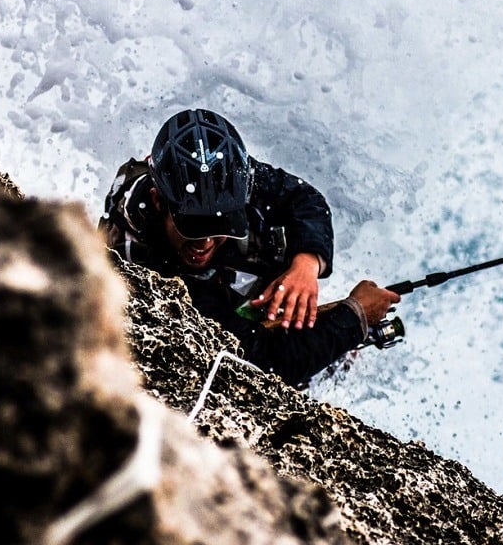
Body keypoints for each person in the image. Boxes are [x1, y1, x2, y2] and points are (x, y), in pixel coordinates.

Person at [99, 108, 400, 387]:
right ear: (157, 201)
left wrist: (306, 265)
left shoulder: (232, 176)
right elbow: (267, 365)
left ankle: (290, 313)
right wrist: (355, 315)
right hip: (204, 315)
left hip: (230, 285)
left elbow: (304, 199)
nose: (204, 243)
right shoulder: (135, 265)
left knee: (261, 238)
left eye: (219, 227)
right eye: (193, 229)